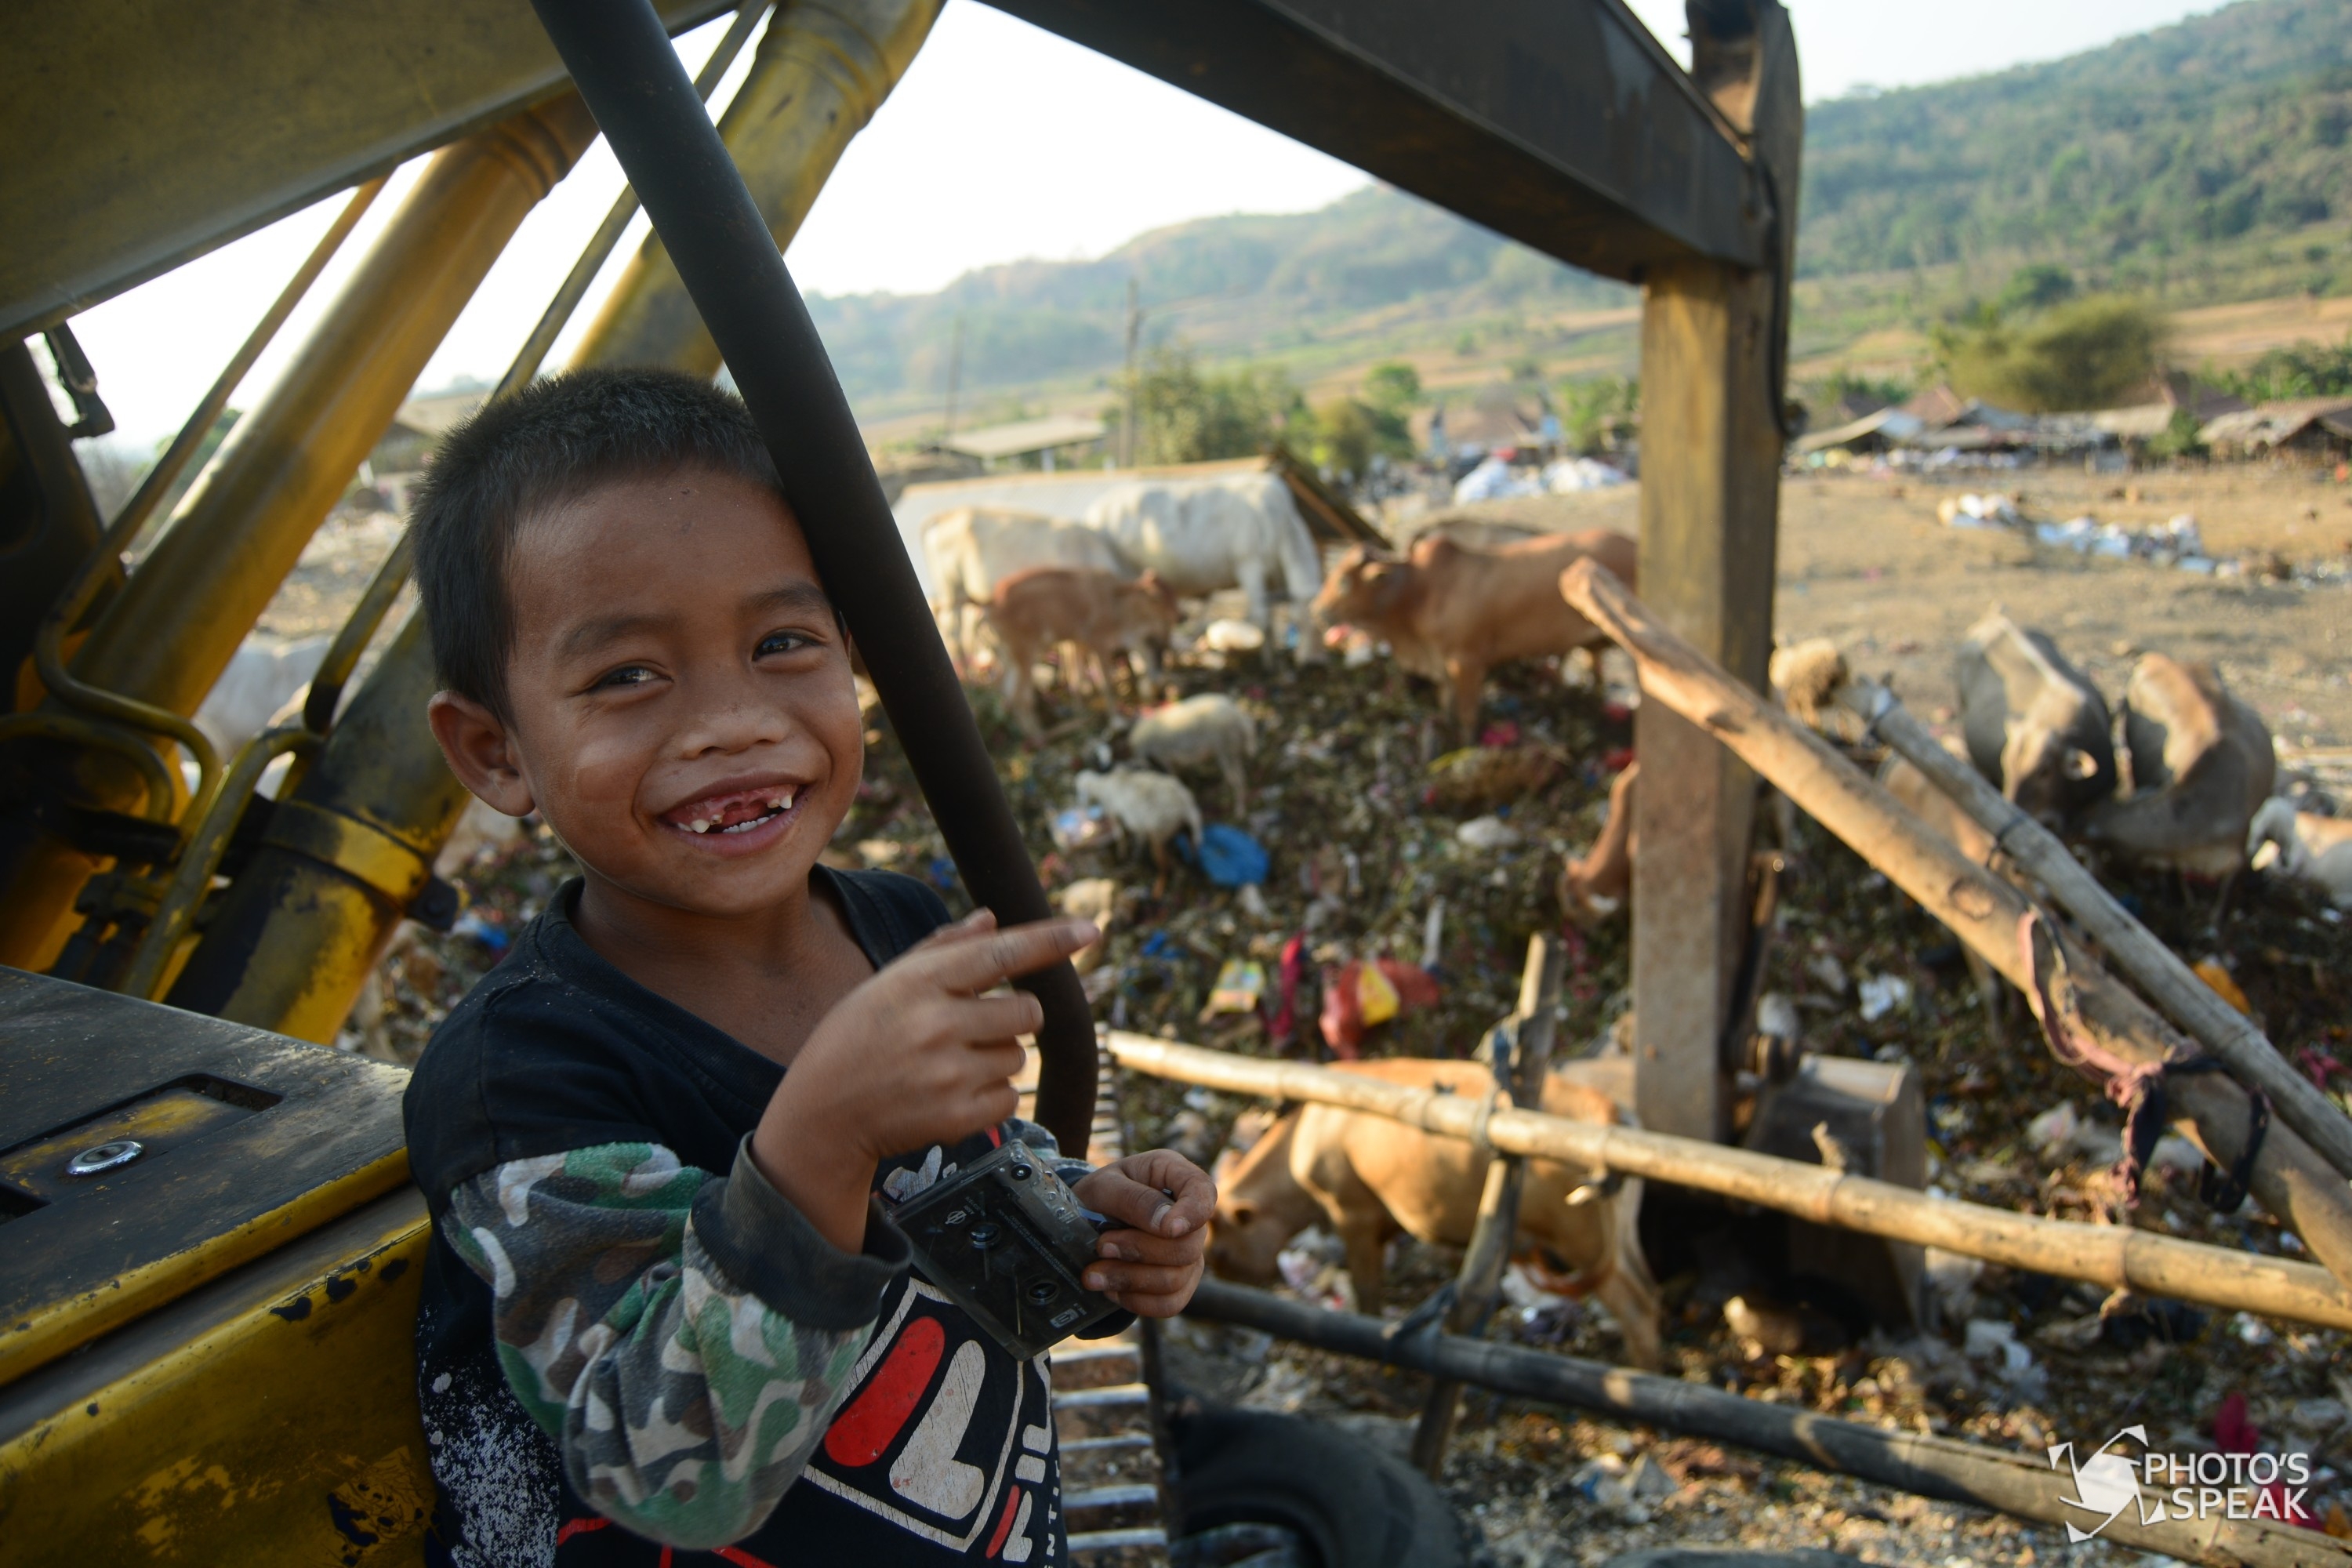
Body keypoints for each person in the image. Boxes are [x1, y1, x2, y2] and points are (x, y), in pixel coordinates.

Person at [403, 368, 1214, 1566]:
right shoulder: (522, 1081)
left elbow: (971, 1182)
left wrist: (1094, 1224)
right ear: (494, 752)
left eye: (782, 643)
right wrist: (821, 1144)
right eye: (626, 675)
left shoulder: (900, 929)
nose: (732, 720)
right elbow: (668, 1474)